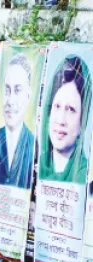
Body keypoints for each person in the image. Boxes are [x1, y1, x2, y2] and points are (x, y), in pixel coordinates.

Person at [40, 54, 92, 182]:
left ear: (82, 123)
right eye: (57, 106)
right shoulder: (32, 169)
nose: (61, 120)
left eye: (71, 109)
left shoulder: (87, 177)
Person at [0, 53, 37, 189]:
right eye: (6, 90)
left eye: (17, 90)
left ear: (28, 96)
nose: (10, 101)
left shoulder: (33, 144)